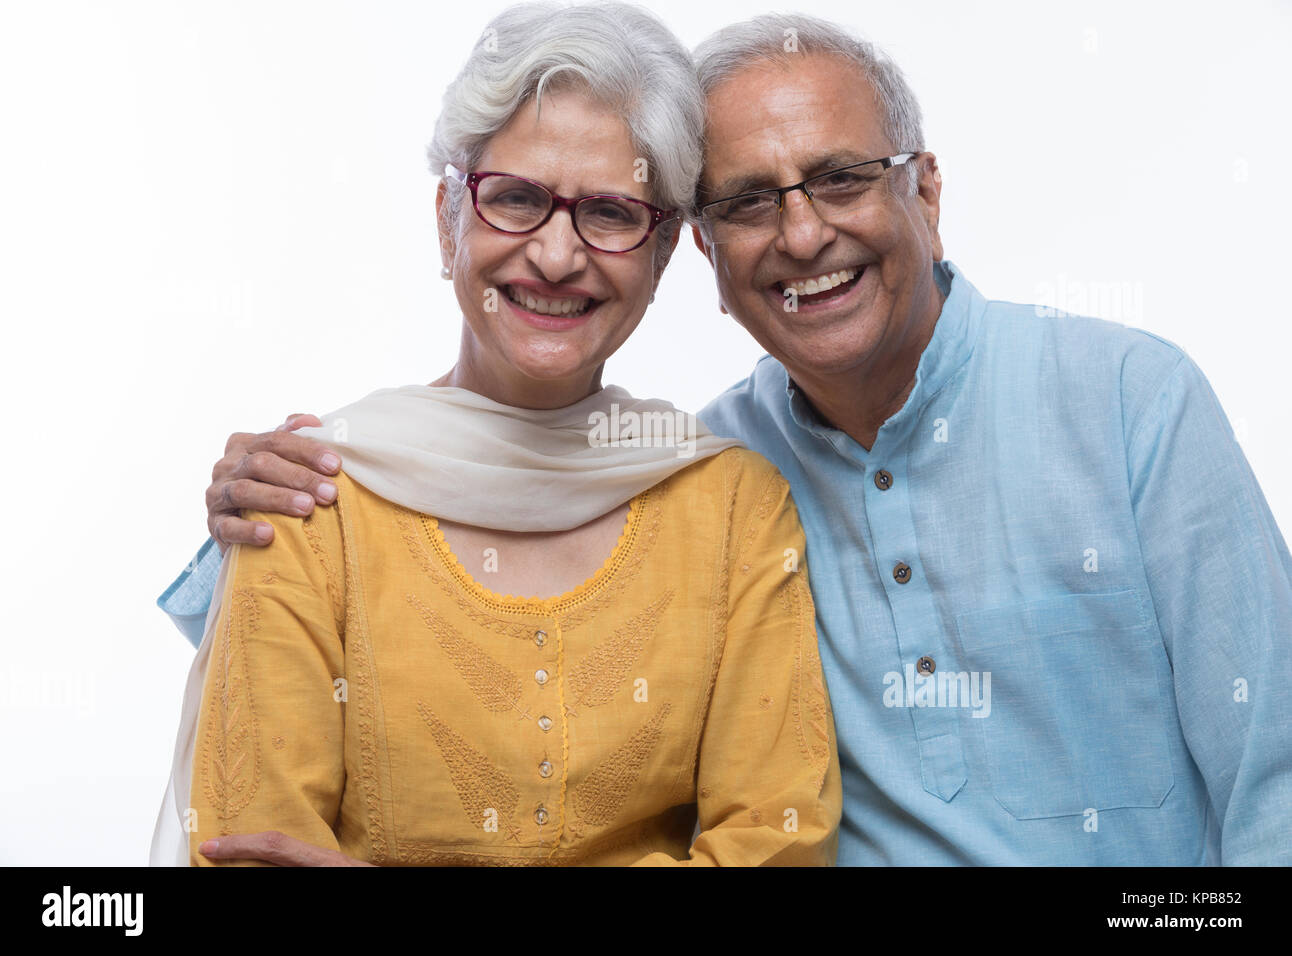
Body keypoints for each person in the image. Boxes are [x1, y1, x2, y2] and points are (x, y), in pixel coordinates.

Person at [162, 11, 1292, 866]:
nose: (803, 233)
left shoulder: (1120, 401)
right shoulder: (325, 495)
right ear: (701, 253)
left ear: (927, 190)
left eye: (844, 177)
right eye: (749, 201)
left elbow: (1274, 775)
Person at [150, 1, 841, 867]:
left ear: (662, 255)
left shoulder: (737, 512)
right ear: (449, 221)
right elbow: (247, 851)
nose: (556, 256)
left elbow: (779, 850)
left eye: (611, 213)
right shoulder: (305, 500)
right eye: (515, 198)